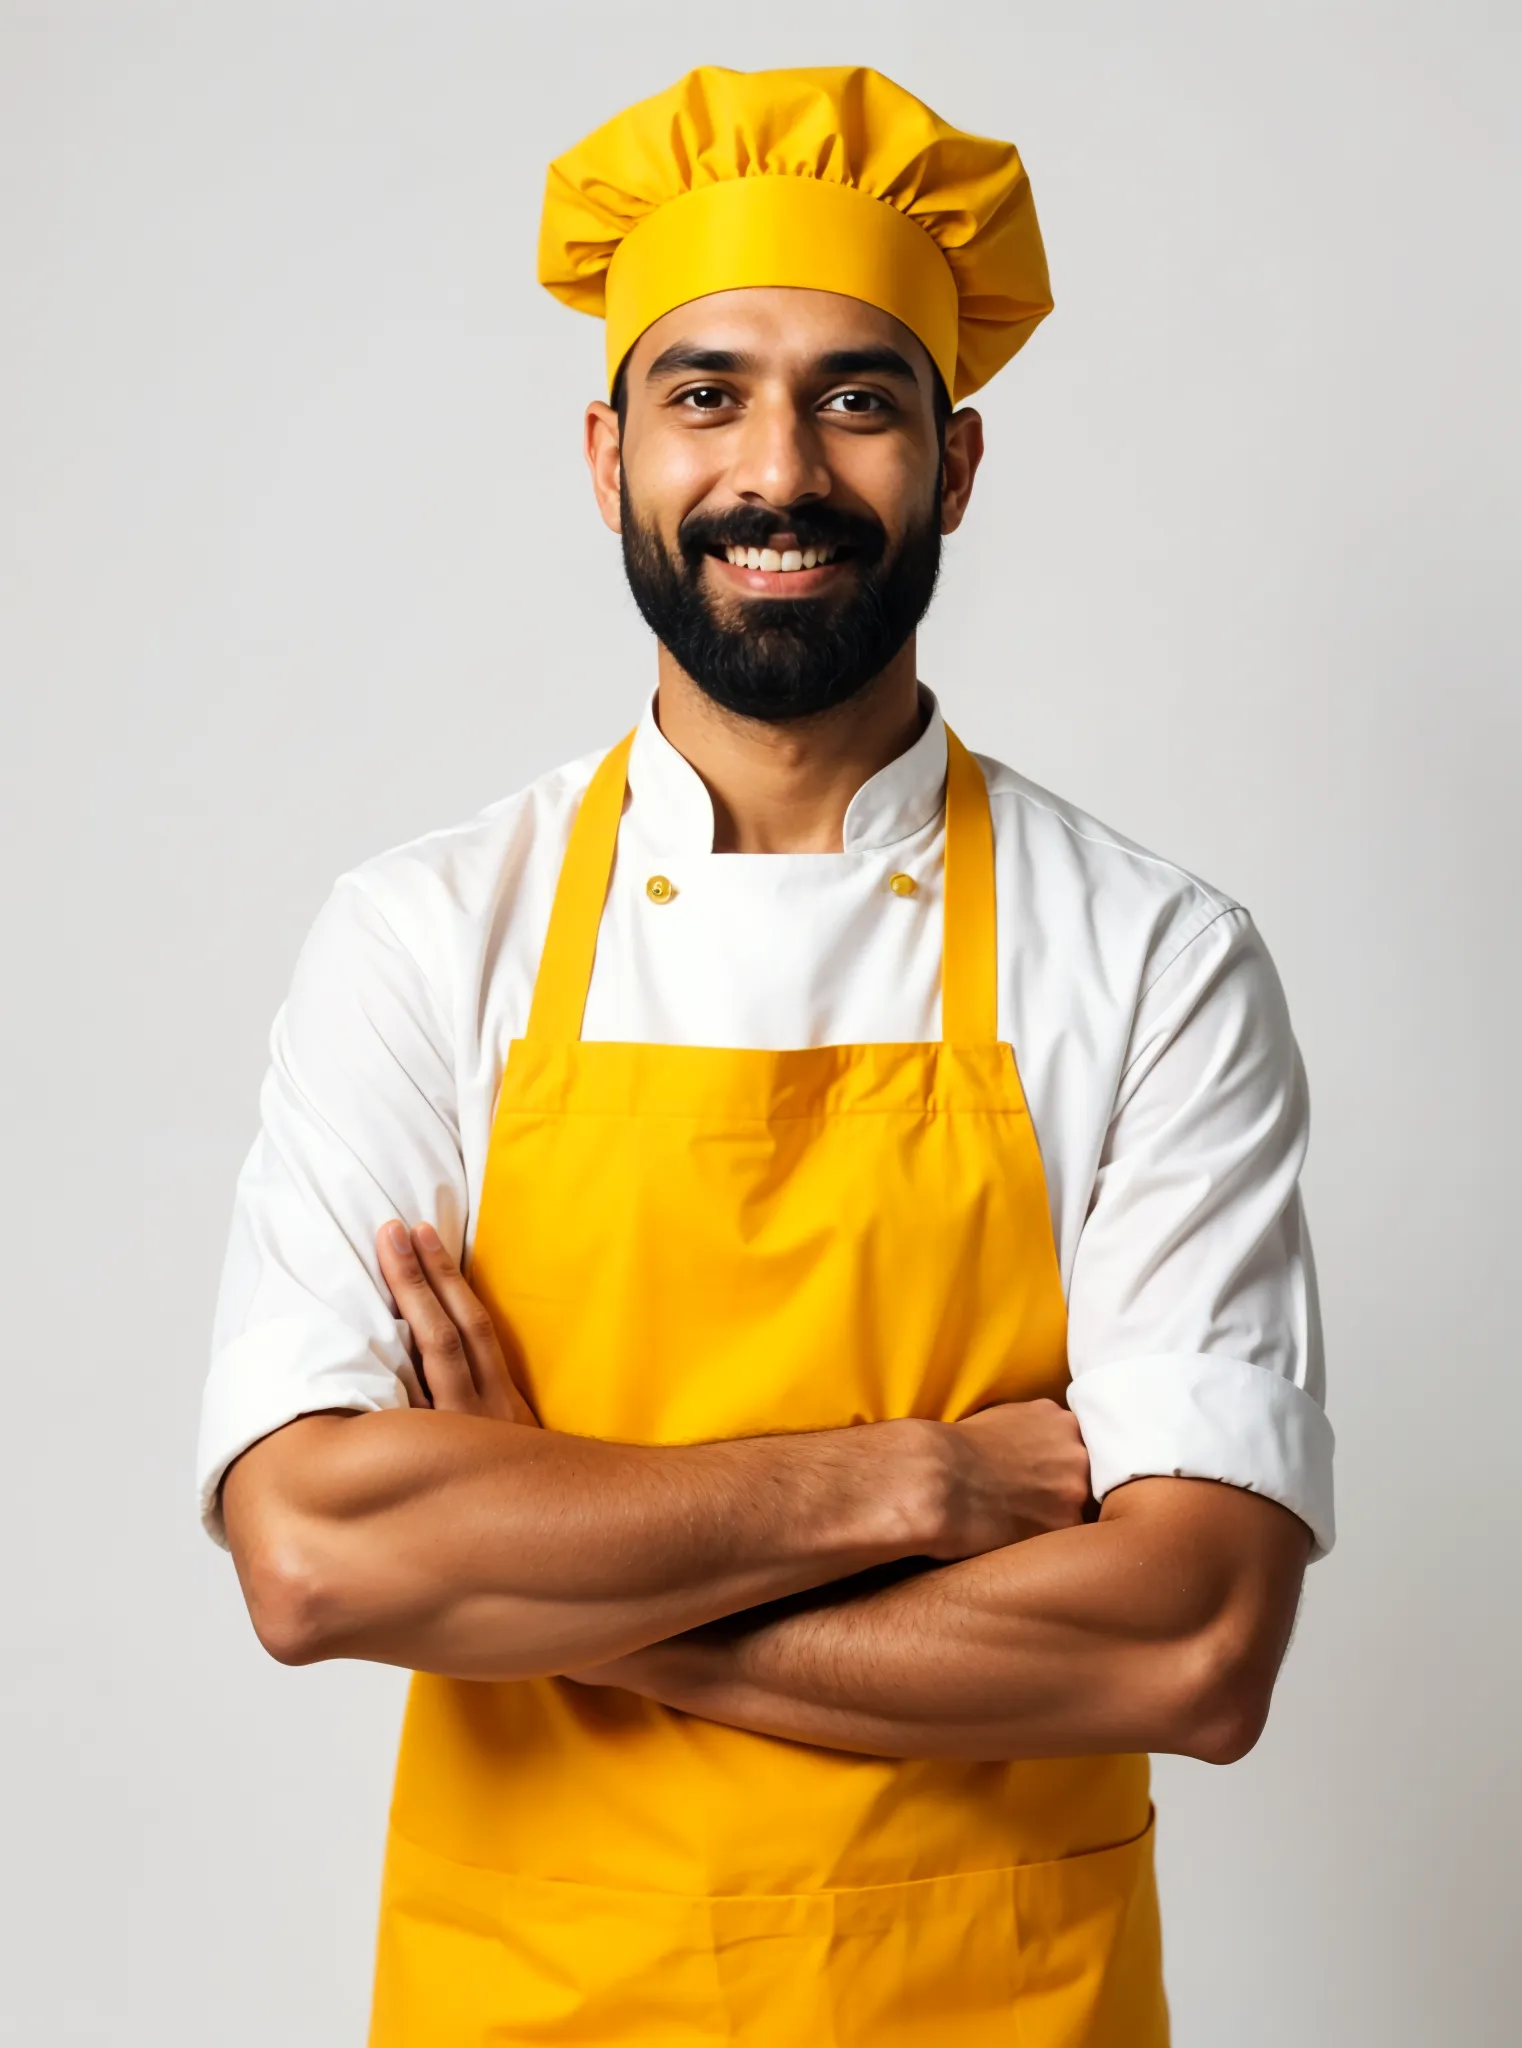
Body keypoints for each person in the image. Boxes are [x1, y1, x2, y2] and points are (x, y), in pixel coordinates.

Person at [202, 64, 1334, 2047]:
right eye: (707, 392)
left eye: (859, 396)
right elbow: (310, 1556)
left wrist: (551, 1559)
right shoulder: (422, 940)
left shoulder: (1157, 961)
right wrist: (904, 1481)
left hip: (999, 2006)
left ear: (955, 464)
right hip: (526, 2000)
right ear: (608, 452)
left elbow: (1195, 1637)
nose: (778, 469)